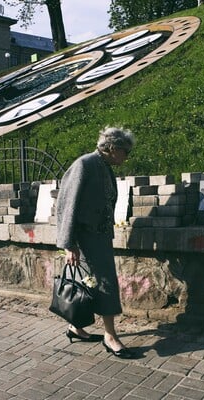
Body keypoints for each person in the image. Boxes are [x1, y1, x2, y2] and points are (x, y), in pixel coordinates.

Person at [55, 126, 135, 359]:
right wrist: (69, 244)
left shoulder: (104, 166)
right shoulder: (85, 164)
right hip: (86, 239)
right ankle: (110, 337)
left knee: (86, 285)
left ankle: (76, 328)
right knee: (105, 284)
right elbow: (67, 205)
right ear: (113, 148)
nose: (126, 157)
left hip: (98, 237)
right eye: (125, 152)